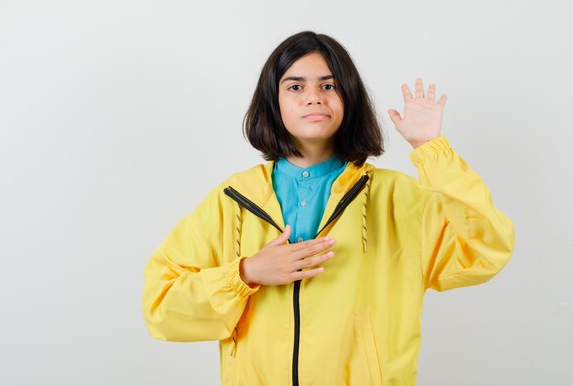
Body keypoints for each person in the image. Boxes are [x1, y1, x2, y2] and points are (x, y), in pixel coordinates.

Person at [142, 31, 515, 386]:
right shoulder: (232, 200)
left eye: (329, 85)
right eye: (295, 86)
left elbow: (484, 251)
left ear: (348, 98)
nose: (313, 97)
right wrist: (246, 273)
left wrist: (431, 149)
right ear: (273, 101)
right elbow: (161, 306)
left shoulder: (397, 198)